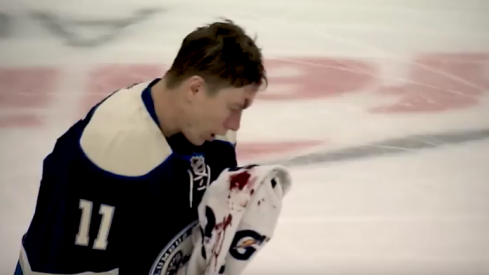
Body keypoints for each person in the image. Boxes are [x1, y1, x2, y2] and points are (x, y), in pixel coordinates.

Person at [15, 19, 267, 275]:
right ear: (195, 89)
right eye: (233, 108)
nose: (234, 124)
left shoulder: (215, 135)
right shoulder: (115, 149)